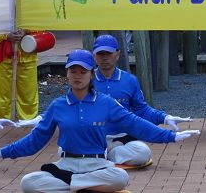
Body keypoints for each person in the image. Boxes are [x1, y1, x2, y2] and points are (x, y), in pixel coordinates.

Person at [0, 49, 200, 193]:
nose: (77, 75)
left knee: (121, 177)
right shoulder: (57, 105)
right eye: (72, 71)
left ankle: (72, 184)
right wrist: (2, 152)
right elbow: (36, 140)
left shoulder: (106, 103)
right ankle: (85, 186)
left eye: (82, 71)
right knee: (28, 183)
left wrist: (170, 136)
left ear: (91, 74)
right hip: (66, 164)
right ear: (66, 74)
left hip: (98, 164)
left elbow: (135, 123)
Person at [20, 34, 193, 167]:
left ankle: (102, 158)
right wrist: (40, 119)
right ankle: (96, 157)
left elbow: (141, 110)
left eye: (108, 53)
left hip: (123, 138)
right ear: (94, 56)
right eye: (100, 53)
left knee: (143, 154)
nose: (104, 57)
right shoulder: (85, 78)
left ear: (117, 54)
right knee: (64, 150)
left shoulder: (129, 80)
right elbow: (65, 105)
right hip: (92, 137)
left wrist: (164, 118)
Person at [0, 29, 39, 120]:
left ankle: (29, 118)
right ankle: (3, 119)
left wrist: (25, 31)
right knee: (2, 89)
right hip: (2, 54)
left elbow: (38, 24)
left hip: (27, 52)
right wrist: (6, 36)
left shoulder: (31, 14)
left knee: (28, 88)